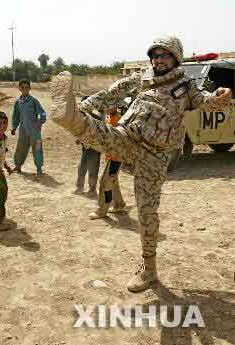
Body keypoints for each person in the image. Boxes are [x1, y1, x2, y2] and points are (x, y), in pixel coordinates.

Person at [50, 35, 232, 293]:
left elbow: (205, 99)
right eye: (155, 55)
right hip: (129, 136)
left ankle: (149, 270)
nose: (158, 60)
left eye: (164, 55)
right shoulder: (142, 78)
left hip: (156, 155)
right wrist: (86, 104)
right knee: (102, 135)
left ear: (176, 58)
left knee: (147, 212)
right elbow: (113, 93)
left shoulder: (186, 86)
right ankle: (72, 118)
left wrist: (220, 95)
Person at [89, 108, 126, 219]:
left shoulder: (119, 120)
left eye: (110, 105)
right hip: (112, 157)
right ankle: (119, 204)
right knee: (113, 181)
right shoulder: (111, 117)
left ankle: (102, 210)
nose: (107, 108)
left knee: (105, 183)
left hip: (116, 158)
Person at [11, 79, 47, 175]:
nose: (24, 89)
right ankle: (18, 166)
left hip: (35, 131)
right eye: (22, 87)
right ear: (19, 88)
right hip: (23, 130)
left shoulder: (34, 101)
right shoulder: (18, 102)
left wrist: (40, 121)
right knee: (21, 148)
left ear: (30, 88)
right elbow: (16, 115)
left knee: (37, 149)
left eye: (27, 87)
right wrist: (14, 127)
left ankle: (39, 168)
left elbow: (42, 113)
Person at [75, 96, 101, 196]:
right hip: (85, 148)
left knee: (92, 169)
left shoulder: (97, 119)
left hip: (95, 148)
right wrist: (79, 139)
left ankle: (92, 189)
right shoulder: (81, 119)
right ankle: (79, 187)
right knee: (82, 167)